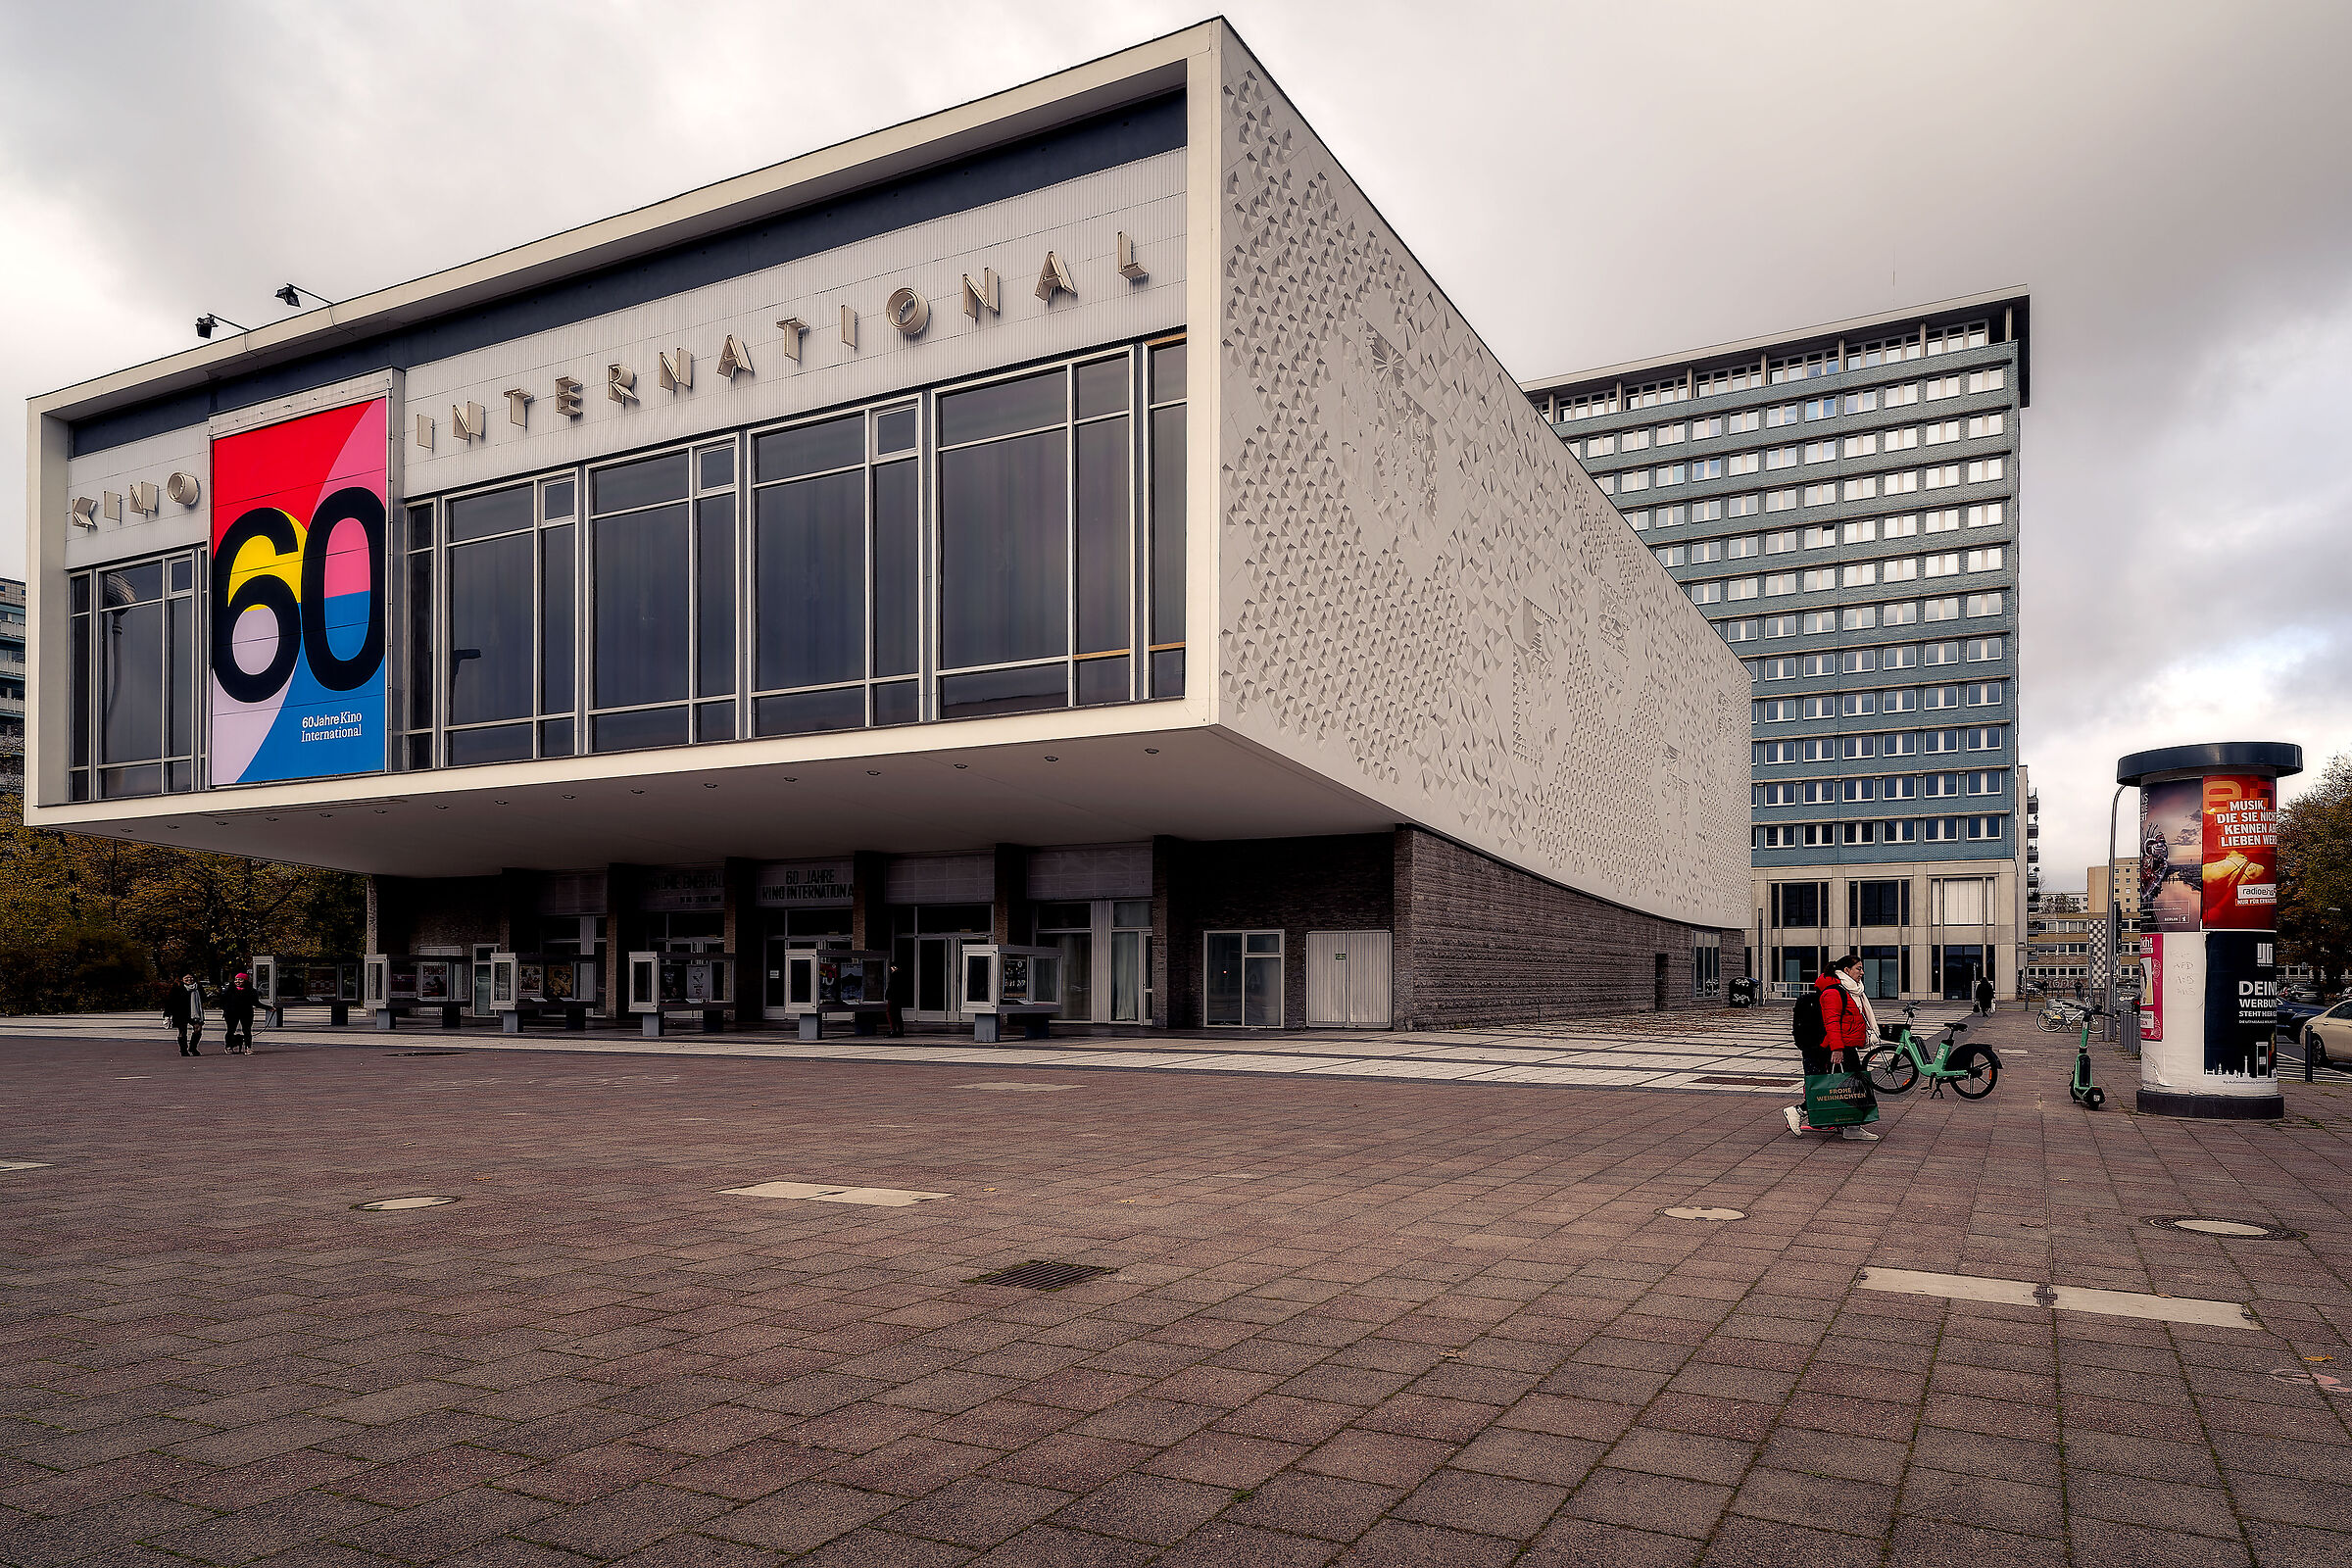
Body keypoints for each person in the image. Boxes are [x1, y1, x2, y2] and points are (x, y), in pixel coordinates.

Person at [1786, 953, 1881, 1143]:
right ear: (1846, 970)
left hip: (1848, 1046)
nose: (1862, 972)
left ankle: (1852, 1127)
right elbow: (1832, 1023)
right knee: (1834, 1089)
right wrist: (1837, 1049)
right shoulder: (1834, 992)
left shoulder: (1852, 991)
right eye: (1858, 969)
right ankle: (1797, 1111)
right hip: (1837, 1047)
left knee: (1854, 1087)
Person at [162, 973, 208, 1056]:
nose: (189, 980)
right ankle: (183, 1050)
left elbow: (204, 998)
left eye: (191, 978)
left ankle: (193, 1048)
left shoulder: (197, 987)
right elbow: (170, 1001)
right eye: (186, 978)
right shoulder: (177, 988)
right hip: (180, 1013)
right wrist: (167, 1015)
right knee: (182, 1031)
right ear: (182, 979)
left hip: (194, 1012)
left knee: (198, 1028)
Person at [220, 971, 260, 1054]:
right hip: (231, 1014)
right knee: (230, 1030)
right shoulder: (229, 990)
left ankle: (248, 1047)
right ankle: (228, 1046)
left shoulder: (251, 991)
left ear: (245, 981)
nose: (237, 981)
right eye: (236, 979)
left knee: (247, 1031)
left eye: (240, 980)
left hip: (246, 1013)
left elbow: (256, 1003)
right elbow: (222, 1001)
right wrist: (226, 1010)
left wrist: (269, 1008)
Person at [884, 957, 911, 1038]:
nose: (891, 969)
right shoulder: (902, 975)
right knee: (898, 1014)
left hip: (893, 998)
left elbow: (892, 988)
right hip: (898, 998)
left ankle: (893, 1030)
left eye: (892, 967)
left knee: (890, 1013)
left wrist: (888, 996)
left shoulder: (895, 975)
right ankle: (900, 1030)